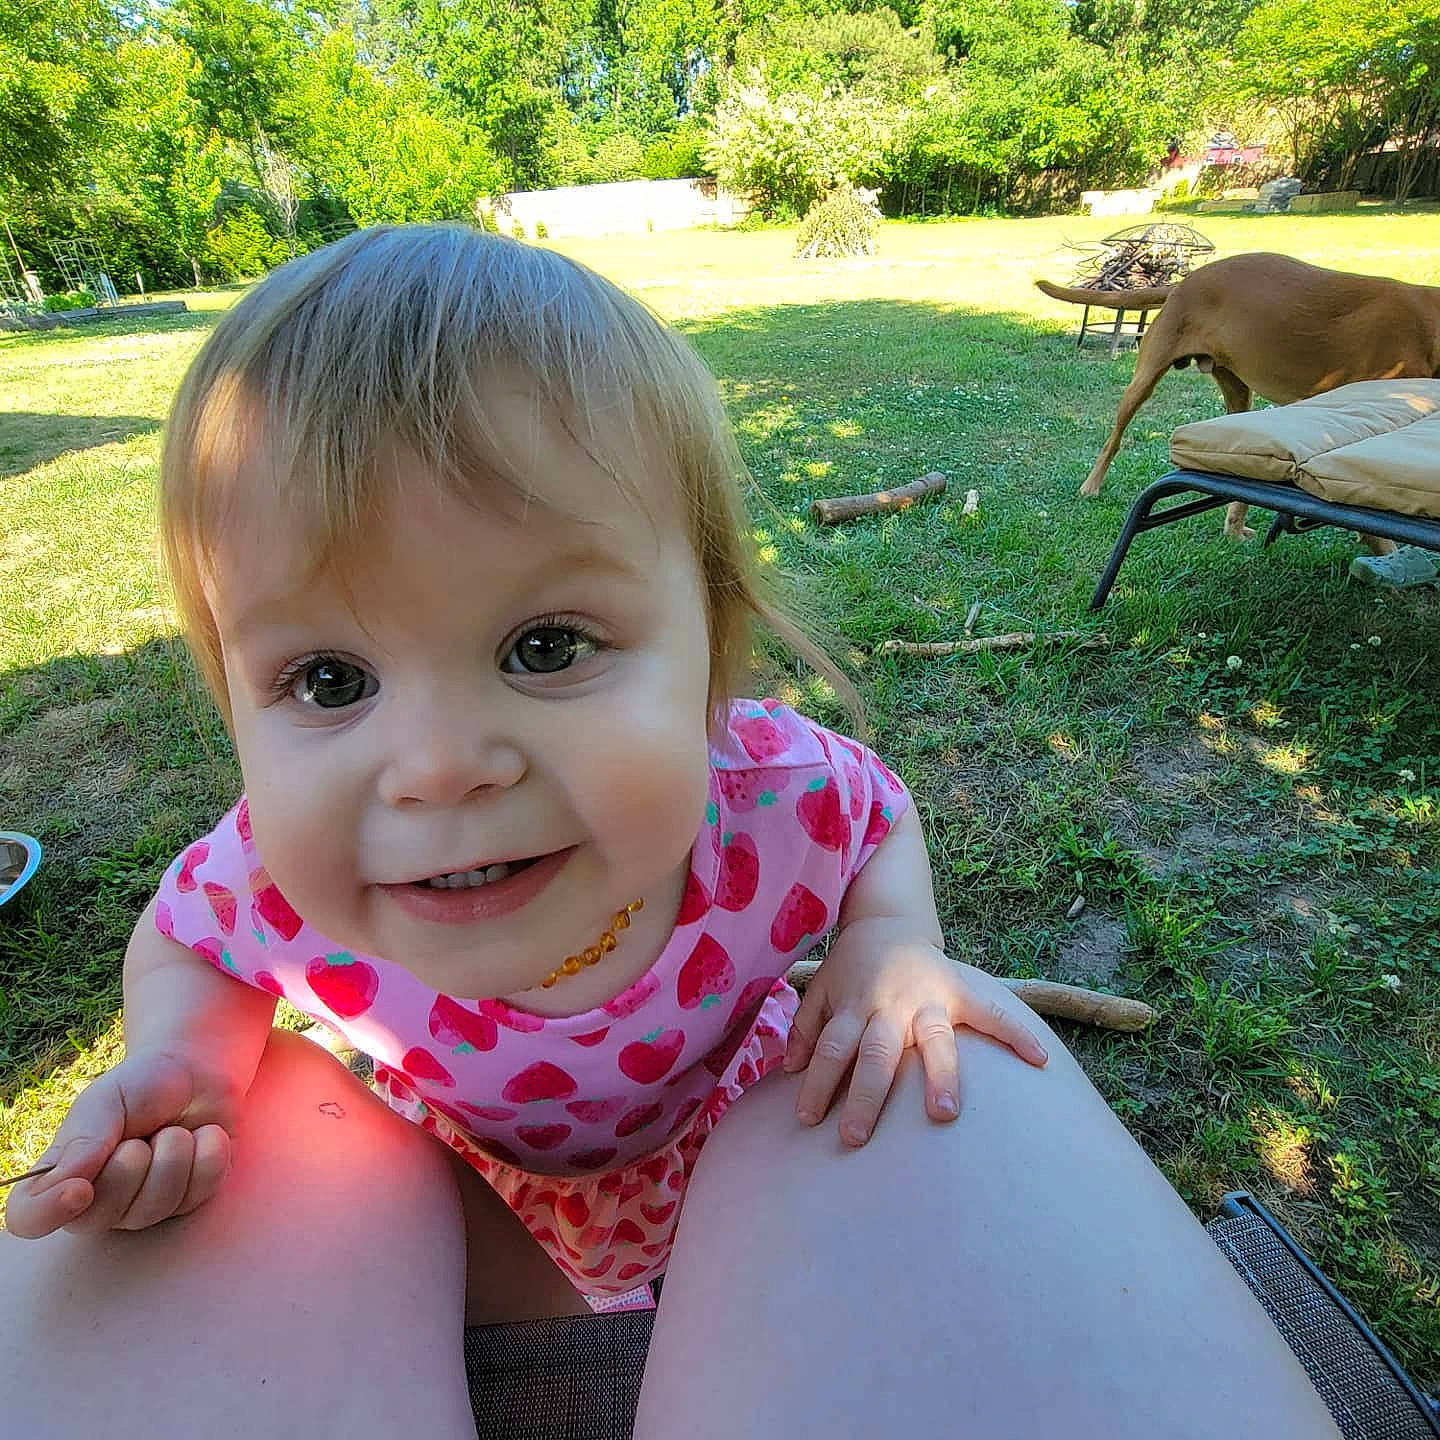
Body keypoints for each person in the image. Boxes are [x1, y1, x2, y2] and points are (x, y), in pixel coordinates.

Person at [0, 226, 1340, 1439]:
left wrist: (888, 946)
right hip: (471, 1204)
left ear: (714, 652)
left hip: (744, 1158)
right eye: (329, 682)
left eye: (546, 645)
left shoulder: (763, 796)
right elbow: (184, 938)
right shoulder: (275, 875)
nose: (442, 768)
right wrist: (190, 1057)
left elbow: (877, 818)